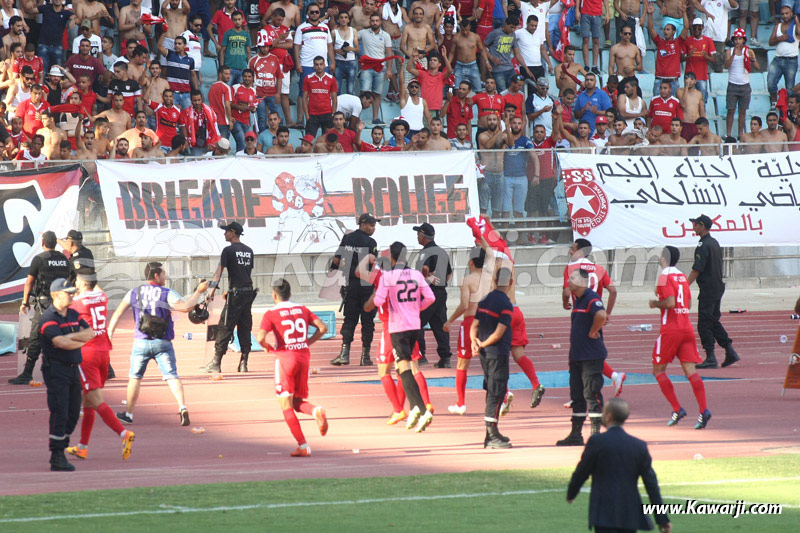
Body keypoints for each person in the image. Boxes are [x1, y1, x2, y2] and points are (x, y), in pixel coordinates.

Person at [107, 263, 209, 426]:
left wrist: (110, 333)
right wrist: (199, 292)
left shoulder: (134, 292)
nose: (165, 276)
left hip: (141, 341)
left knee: (134, 377)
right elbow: (185, 307)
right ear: (156, 275)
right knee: (172, 375)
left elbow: (118, 312)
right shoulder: (167, 293)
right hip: (163, 342)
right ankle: (182, 406)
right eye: (163, 273)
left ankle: (129, 414)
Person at [566, 398, 672, 533]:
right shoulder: (638, 446)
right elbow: (651, 484)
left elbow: (582, 472)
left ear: (609, 416)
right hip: (629, 513)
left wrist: (571, 493)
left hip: (603, 513)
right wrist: (662, 519)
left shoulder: (597, 442)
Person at [65, 270, 135, 462]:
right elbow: (96, 289)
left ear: (81, 281)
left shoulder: (77, 302)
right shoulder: (102, 298)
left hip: (88, 353)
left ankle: (123, 433)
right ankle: (82, 447)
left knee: (96, 400)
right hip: (104, 352)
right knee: (88, 402)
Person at [368, 241, 436, 433]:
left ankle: (412, 409)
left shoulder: (386, 276)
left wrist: (372, 301)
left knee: (397, 370)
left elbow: (379, 299)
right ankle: (420, 406)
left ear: (391, 258)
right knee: (409, 367)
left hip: (395, 326)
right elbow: (430, 298)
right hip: (414, 325)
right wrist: (416, 309)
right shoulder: (415, 274)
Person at [257, 278, 329, 457]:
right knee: (296, 401)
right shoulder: (302, 309)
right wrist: (307, 342)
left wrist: (267, 346)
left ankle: (303, 446)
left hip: (285, 359)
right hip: (303, 357)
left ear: (274, 295)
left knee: (285, 404)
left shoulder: (271, 313)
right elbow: (323, 327)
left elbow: (259, 337)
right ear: (290, 294)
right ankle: (315, 410)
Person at [650, 246, 712, 430]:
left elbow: (669, 303)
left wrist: (655, 303)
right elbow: (689, 303)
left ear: (664, 259)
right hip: (686, 327)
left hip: (671, 330)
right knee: (691, 372)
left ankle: (677, 408)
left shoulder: (664, 277)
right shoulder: (683, 277)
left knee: (659, 371)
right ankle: (703, 410)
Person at [38, 278, 96, 471]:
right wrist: (77, 341)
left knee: (72, 413)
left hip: (73, 368)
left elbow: (90, 333)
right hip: (56, 369)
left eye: (72, 292)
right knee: (60, 410)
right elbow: (60, 343)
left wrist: (71, 337)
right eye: (68, 293)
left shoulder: (73, 313)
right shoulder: (48, 318)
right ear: (56, 295)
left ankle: (62, 445)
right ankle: (57, 455)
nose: (72, 295)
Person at [562, 238, 625, 396]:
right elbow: (613, 291)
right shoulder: (599, 268)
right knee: (590, 354)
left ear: (580, 251)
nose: (570, 251)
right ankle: (585, 392)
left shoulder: (571, 268)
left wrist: (565, 302)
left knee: (581, 357)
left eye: (573, 248)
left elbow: (566, 291)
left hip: (581, 314)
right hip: (596, 313)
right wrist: (607, 313)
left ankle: (589, 392)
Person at [10, 231, 70, 385]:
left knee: (36, 338)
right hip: (61, 303)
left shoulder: (39, 259)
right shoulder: (64, 259)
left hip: (44, 304)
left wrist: (25, 302)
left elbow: (29, 282)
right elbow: (68, 280)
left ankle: (27, 374)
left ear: (43, 243)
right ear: (55, 243)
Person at [557, 268, 608, 446]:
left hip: (591, 356)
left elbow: (602, 315)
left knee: (591, 393)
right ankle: (576, 434)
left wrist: (593, 331)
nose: (568, 281)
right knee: (577, 396)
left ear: (581, 281)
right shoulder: (578, 301)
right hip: (577, 356)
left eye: (571, 278)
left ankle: (595, 435)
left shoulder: (591, 298)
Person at [202, 222, 256, 373]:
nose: (224, 234)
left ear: (233, 232)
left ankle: (216, 362)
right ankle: (244, 363)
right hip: (248, 293)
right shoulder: (249, 251)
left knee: (224, 327)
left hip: (236, 295)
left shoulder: (228, 250)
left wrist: (210, 292)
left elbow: (218, 272)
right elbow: (245, 273)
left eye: (226, 231)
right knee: (245, 327)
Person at [687, 214, 740, 369]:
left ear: (702, 226)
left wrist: (684, 285)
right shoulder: (714, 243)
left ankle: (711, 357)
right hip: (717, 287)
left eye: (695, 224)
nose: (693, 227)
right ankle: (730, 351)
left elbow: (697, 268)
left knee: (704, 323)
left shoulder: (703, 245)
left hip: (708, 289)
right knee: (713, 321)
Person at [470, 266, 514, 448]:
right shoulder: (506, 304)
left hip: (485, 354)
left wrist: (474, 341)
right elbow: (498, 333)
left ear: (495, 280)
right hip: (497, 352)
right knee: (496, 393)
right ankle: (490, 435)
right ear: (510, 283)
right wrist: (483, 343)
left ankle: (493, 431)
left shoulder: (485, 300)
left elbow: (474, 325)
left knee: (492, 391)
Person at [444, 246, 490, 414]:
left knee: (462, 363)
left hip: (471, 321)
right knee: (491, 362)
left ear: (471, 262)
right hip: (488, 321)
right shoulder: (490, 279)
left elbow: (464, 305)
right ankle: (504, 395)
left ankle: (461, 402)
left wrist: (450, 320)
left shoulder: (468, 280)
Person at [330, 213, 380, 366]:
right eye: (371, 225)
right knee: (368, 322)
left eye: (374, 226)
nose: (373, 228)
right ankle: (365, 357)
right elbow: (373, 265)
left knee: (350, 320)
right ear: (362, 224)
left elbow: (336, 260)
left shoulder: (347, 238)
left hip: (350, 285)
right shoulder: (371, 242)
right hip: (366, 286)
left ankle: (344, 354)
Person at [414, 223, 453, 367]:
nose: (417, 236)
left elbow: (422, 269)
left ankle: (420, 355)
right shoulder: (442, 251)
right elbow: (449, 273)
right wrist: (440, 282)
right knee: (440, 324)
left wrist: (427, 277)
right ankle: (445, 357)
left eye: (418, 234)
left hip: (427, 292)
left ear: (423, 236)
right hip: (441, 292)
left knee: (417, 322)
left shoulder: (425, 253)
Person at [644, 2, 687, 96]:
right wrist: (650, 15)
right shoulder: (660, 42)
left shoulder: (678, 42)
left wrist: (684, 13)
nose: (665, 31)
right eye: (664, 29)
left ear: (674, 31)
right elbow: (651, 29)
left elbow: (686, 28)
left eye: (668, 29)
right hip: (660, 80)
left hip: (673, 81)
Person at [725, 28, 759, 138]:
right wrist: (733, 55)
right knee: (730, 110)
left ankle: (740, 133)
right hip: (732, 84)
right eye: (736, 39)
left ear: (743, 40)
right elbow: (726, 66)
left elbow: (757, 68)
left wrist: (753, 59)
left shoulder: (749, 51)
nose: (738, 41)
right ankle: (729, 134)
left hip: (744, 85)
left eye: (740, 39)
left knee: (742, 111)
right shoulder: (729, 51)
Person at [768, 5, 800, 106]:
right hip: (778, 59)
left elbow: (799, 33)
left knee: (789, 88)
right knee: (771, 83)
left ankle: (787, 107)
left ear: (792, 14)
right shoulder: (778, 26)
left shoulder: (795, 26)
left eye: (787, 13)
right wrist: (780, 38)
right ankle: (774, 102)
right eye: (782, 14)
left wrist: (797, 20)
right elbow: (770, 42)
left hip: (791, 61)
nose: (785, 15)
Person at [303, 56, 338, 137]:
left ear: (325, 65)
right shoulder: (308, 79)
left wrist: (333, 114)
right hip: (313, 114)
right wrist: (307, 116)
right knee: (308, 140)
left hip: (327, 114)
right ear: (313, 66)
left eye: (321, 64)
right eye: (317, 64)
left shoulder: (331, 79)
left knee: (328, 141)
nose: (319, 67)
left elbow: (334, 98)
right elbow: (304, 98)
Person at [577, 0, 610, 73]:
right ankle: (586, 65)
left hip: (597, 13)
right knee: (585, 39)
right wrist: (577, 10)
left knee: (596, 40)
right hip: (585, 12)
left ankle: (594, 66)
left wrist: (607, 12)